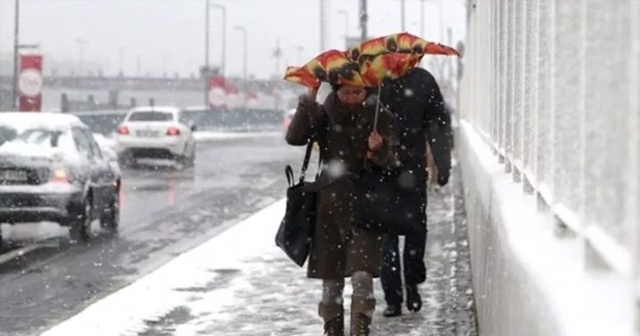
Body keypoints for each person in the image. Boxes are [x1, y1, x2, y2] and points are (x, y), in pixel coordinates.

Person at [285, 83, 398, 336]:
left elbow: (393, 162)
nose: (350, 98)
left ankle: (360, 331)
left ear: (366, 90)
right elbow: (295, 137)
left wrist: (378, 150)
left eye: (357, 92)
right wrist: (308, 100)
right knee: (331, 282)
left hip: (366, 206)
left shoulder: (381, 116)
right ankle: (332, 331)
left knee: (362, 277)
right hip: (329, 206)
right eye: (345, 92)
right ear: (335, 90)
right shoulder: (325, 113)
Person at [378, 67, 453, 317]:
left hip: (381, 169)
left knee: (387, 235)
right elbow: (438, 125)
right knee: (414, 229)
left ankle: (393, 297)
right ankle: (410, 283)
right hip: (410, 169)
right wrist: (442, 164)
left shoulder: (376, 79)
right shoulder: (423, 80)